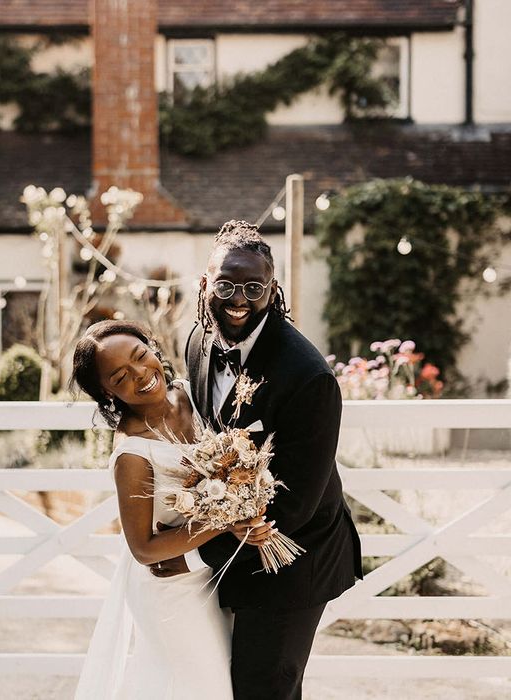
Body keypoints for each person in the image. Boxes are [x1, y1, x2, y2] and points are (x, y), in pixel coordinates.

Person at [153, 219, 363, 699]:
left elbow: (296, 503)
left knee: (264, 689)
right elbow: (208, 440)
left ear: (274, 290)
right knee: (219, 681)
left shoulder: (308, 377)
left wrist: (199, 543)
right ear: (204, 284)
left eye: (254, 287)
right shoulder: (197, 343)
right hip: (231, 549)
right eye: (226, 285)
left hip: (293, 556)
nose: (239, 299)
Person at [70, 320, 272, 699]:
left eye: (140, 356)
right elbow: (144, 548)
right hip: (171, 589)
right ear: (106, 392)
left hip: (211, 572)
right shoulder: (132, 453)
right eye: (120, 377)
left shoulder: (187, 394)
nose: (141, 375)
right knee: (206, 688)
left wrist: (243, 499)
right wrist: (227, 519)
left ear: (153, 348)